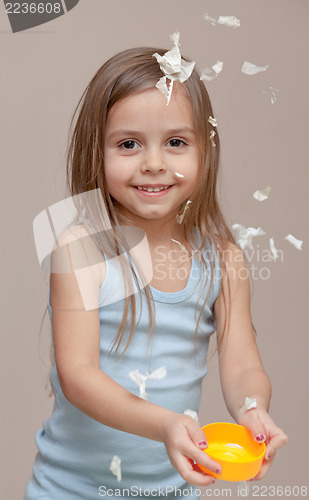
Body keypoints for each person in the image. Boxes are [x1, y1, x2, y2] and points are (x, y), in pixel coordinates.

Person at [24, 45, 287, 500]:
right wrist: (165, 424)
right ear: (97, 151)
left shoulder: (223, 259)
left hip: (173, 490)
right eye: (129, 144)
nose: (154, 163)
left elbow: (242, 364)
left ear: (206, 149)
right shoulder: (80, 249)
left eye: (176, 142)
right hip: (70, 490)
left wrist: (253, 409)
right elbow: (78, 373)